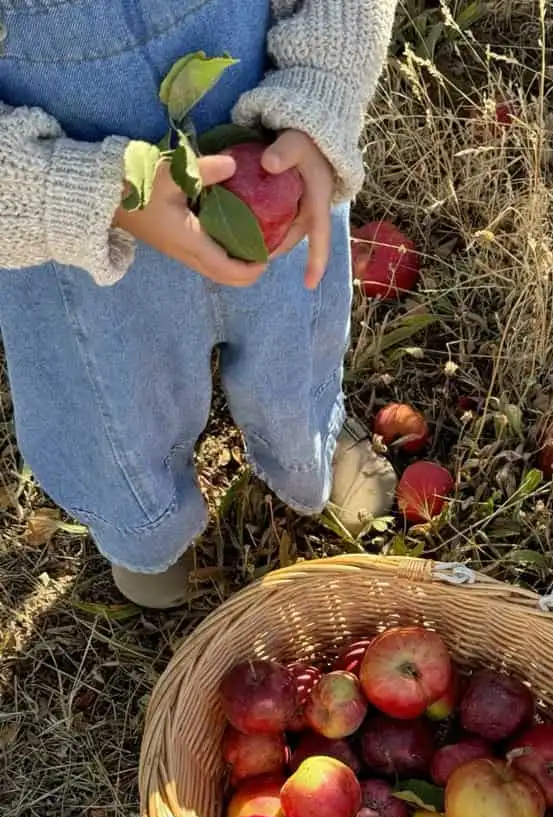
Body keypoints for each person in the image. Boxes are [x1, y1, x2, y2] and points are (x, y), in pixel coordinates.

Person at [0, 0, 400, 608]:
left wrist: (322, 86)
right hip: (75, 226)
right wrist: (67, 190)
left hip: (267, 155)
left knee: (291, 333)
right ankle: (143, 523)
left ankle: (306, 439)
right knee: (110, 396)